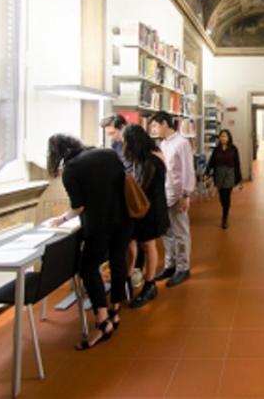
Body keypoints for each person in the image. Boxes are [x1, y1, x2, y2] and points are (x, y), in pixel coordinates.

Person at [47, 134, 133, 350]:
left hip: (99, 224)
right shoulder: (107, 153)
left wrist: (62, 219)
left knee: (87, 267)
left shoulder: (71, 170)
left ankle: (102, 321)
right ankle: (114, 310)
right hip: (123, 218)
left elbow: (79, 207)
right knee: (117, 260)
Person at [123, 124, 169, 308]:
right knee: (137, 244)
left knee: (149, 246)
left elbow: (142, 187)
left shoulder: (150, 161)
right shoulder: (147, 157)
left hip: (150, 211)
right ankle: (133, 277)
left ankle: (149, 284)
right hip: (147, 209)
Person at [150, 111, 195, 287]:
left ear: (165, 124)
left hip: (177, 195)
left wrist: (185, 195)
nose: (153, 129)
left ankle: (183, 267)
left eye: (155, 125)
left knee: (180, 232)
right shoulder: (162, 144)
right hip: (164, 194)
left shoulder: (182, 143)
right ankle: (171, 264)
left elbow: (187, 170)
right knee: (166, 232)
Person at [206, 129, 242, 229]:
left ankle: (225, 218)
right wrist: (207, 172)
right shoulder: (216, 149)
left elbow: (237, 164)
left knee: (227, 195)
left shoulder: (234, 149)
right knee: (221, 197)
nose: (223, 138)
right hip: (219, 173)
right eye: (221, 136)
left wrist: (238, 178)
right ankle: (224, 208)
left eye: (225, 136)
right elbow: (211, 162)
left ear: (229, 137)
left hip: (229, 173)